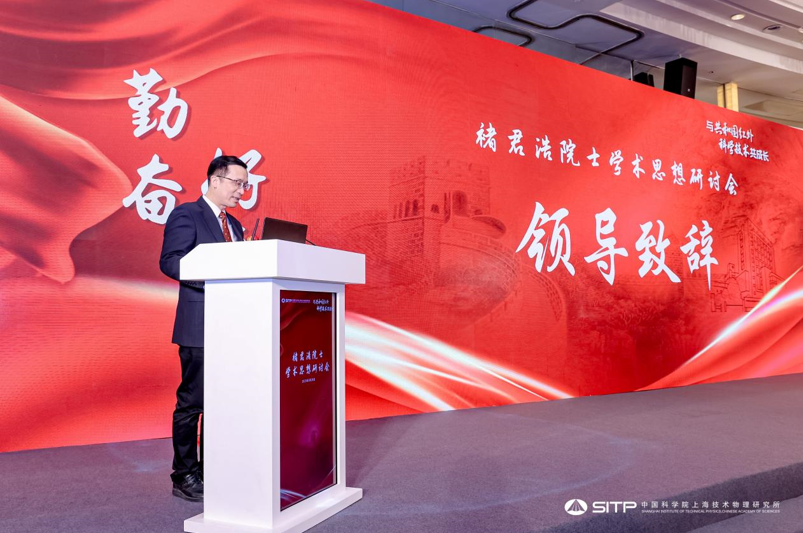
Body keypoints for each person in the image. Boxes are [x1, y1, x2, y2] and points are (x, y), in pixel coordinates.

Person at [159, 155, 250, 501]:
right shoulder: (187, 214)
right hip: (200, 326)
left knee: (222, 403)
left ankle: (213, 468)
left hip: (234, 328)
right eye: (237, 183)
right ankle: (184, 474)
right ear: (215, 180)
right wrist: (216, 280)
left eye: (245, 185)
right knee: (192, 403)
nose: (242, 191)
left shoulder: (236, 226)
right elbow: (171, 262)